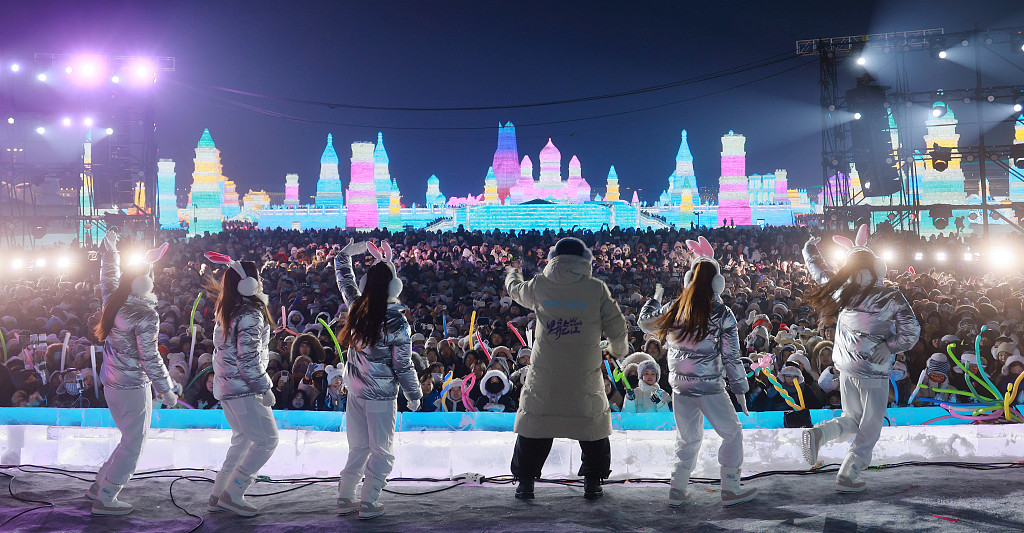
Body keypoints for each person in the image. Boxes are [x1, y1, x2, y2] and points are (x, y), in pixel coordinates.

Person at [505, 237, 629, 501]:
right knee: (591, 421)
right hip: (584, 369)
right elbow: (618, 327)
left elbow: (516, 291)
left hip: (546, 369)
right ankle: (593, 481)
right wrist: (616, 352)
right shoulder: (596, 288)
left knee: (536, 422)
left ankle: (525, 482)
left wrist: (512, 273)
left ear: (554, 258)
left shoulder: (540, 284)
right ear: (585, 259)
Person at [800, 225, 920, 492]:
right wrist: (890, 347)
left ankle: (820, 434)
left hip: (847, 368)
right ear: (879, 267)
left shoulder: (841, 290)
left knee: (853, 418)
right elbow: (911, 331)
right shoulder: (890, 296)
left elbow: (818, 271)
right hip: (874, 370)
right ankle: (849, 472)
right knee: (870, 425)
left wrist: (809, 248)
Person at [639, 236, 756, 507]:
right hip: (709, 386)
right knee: (732, 433)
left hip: (680, 386)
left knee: (688, 436)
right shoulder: (722, 312)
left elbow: (645, 323)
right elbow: (731, 356)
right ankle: (730, 487)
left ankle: (677, 488)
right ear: (718, 283)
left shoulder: (675, 306)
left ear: (689, 279)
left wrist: (655, 298)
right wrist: (740, 390)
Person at [87, 231, 177, 516]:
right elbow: (149, 356)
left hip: (112, 380)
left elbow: (108, 277)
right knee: (134, 443)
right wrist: (166, 389)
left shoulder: (114, 299)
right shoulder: (145, 314)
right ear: (145, 282)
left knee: (128, 437)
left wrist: (110, 251)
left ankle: (99, 485)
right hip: (131, 385)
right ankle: (107, 496)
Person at [334, 239, 422, 520]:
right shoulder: (397, 321)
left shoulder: (356, 307)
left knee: (359, 448)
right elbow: (403, 364)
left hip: (356, 393)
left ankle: (345, 496)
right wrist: (414, 394)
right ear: (395, 287)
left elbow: (345, 281)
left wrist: (344, 255)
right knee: (382, 453)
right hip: (381, 398)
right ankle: (368, 502)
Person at [205, 252, 279, 516]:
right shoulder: (250, 314)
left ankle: (218, 493)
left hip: (228, 387)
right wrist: (265, 388)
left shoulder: (229, 310)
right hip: (245, 389)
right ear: (249, 283)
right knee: (267, 440)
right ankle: (234, 493)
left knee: (243, 440)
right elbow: (247, 360)